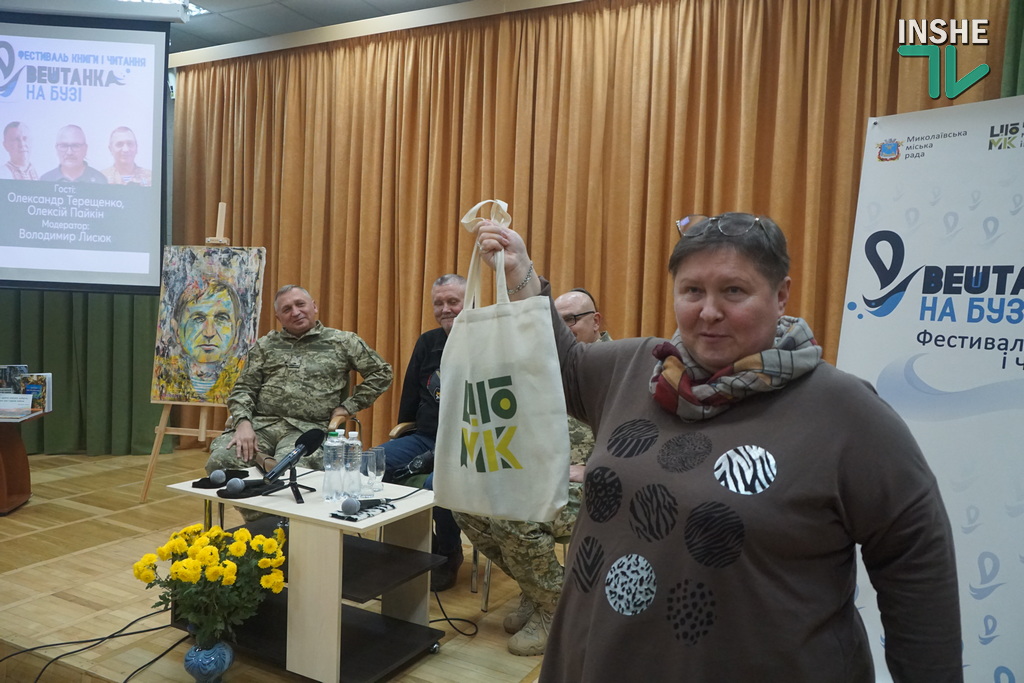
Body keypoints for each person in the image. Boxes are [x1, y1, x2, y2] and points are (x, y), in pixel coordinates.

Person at [475, 213, 961, 681]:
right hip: (601, 659)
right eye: (692, 291)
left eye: (734, 290)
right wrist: (520, 272)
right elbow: (556, 364)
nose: (709, 311)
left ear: (781, 294)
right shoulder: (634, 368)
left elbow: (915, 563)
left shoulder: (844, 412)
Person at [452, 287, 611, 656]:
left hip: (599, 487)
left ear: (596, 321)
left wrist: (591, 468)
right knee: (467, 506)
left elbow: (644, 438)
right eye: (556, 321)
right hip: (540, 478)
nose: (563, 329)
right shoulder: (541, 365)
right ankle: (536, 588)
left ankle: (555, 608)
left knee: (515, 517)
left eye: (572, 319)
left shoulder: (617, 368)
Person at [206, 285, 393, 478]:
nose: (295, 312)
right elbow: (243, 389)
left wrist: (349, 407)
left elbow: (382, 373)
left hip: (307, 429)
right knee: (220, 461)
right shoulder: (265, 346)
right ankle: (251, 496)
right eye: (287, 309)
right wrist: (243, 423)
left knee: (287, 472)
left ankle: (266, 496)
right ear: (278, 317)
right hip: (261, 426)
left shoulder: (343, 342)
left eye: (300, 304)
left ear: (314, 306)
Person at [378, 274, 467, 591]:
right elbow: (410, 397)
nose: (445, 309)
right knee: (370, 464)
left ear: (470, 302)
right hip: (425, 436)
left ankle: (449, 553)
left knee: (437, 484)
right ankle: (420, 544)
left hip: (466, 444)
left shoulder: (488, 342)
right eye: (438, 303)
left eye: (453, 301)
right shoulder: (428, 342)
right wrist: (403, 435)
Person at [153, 280, 246, 403]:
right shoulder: (165, 377)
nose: (209, 332)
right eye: (198, 319)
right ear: (177, 329)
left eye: (221, 318)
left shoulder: (245, 379)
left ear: (237, 330)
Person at [40, 125, 107, 183]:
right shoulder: (46, 180)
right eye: (64, 146)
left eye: (75, 146)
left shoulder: (99, 180)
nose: (69, 152)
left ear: (85, 149)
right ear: (57, 149)